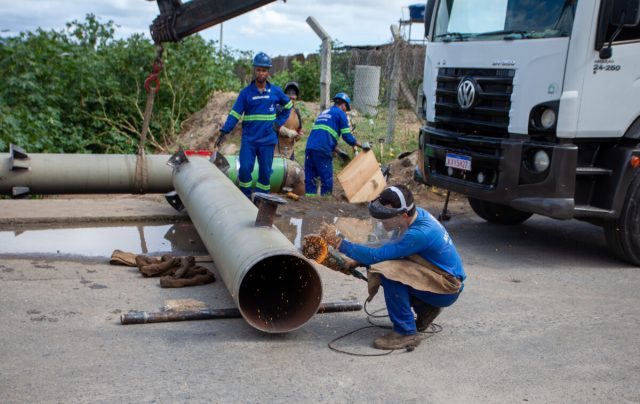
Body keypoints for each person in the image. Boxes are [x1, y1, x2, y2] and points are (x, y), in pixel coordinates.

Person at [321, 185, 466, 350]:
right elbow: (389, 249)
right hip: (440, 277)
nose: (382, 222)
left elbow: (379, 256)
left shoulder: (418, 234)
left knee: (387, 271)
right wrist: (357, 261)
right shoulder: (414, 217)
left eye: (385, 218)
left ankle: (405, 333)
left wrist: (340, 243)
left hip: (447, 287)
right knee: (386, 265)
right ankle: (426, 309)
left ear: (403, 215)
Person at [216, 52, 292, 200]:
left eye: (264, 70)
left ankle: (260, 199)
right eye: (258, 70)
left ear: (268, 72)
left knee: (265, 172)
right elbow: (235, 114)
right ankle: (245, 198)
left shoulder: (275, 91)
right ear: (254, 71)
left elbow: (288, 106)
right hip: (249, 140)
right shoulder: (245, 93)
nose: (261, 73)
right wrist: (225, 131)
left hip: (267, 140)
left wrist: (277, 123)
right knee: (244, 169)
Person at [304, 92, 366, 196]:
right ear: (343, 105)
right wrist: (361, 145)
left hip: (309, 148)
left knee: (311, 179)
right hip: (322, 150)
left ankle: (310, 203)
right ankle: (326, 203)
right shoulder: (340, 114)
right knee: (326, 180)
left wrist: (338, 151)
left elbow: (323, 135)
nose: (346, 111)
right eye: (346, 108)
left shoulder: (324, 113)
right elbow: (347, 136)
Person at [275, 81, 304, 160]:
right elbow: (272, 125)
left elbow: (299, 129)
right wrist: (286, 132)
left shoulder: (296, 112)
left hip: (290, 151)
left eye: (293, 97)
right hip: (276, 150)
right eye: (289, 96)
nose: (291, 99)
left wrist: (299, 135)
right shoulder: (278, 109)